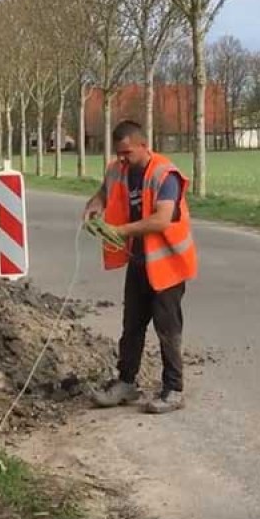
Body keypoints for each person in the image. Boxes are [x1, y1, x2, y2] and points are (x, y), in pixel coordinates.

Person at [82, 120, 198, 414]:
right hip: (138, 262)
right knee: (131, 326)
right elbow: (104, 192)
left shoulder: (164, 174)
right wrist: (94, 204)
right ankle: (126, 382)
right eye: (119, 153)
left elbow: (161, 219)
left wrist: (120, 231)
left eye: (128, 153)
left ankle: (173, 389)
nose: (123, 159)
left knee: (167, 328)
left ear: (144, 145)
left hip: (167, 265)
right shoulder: (117, 170)